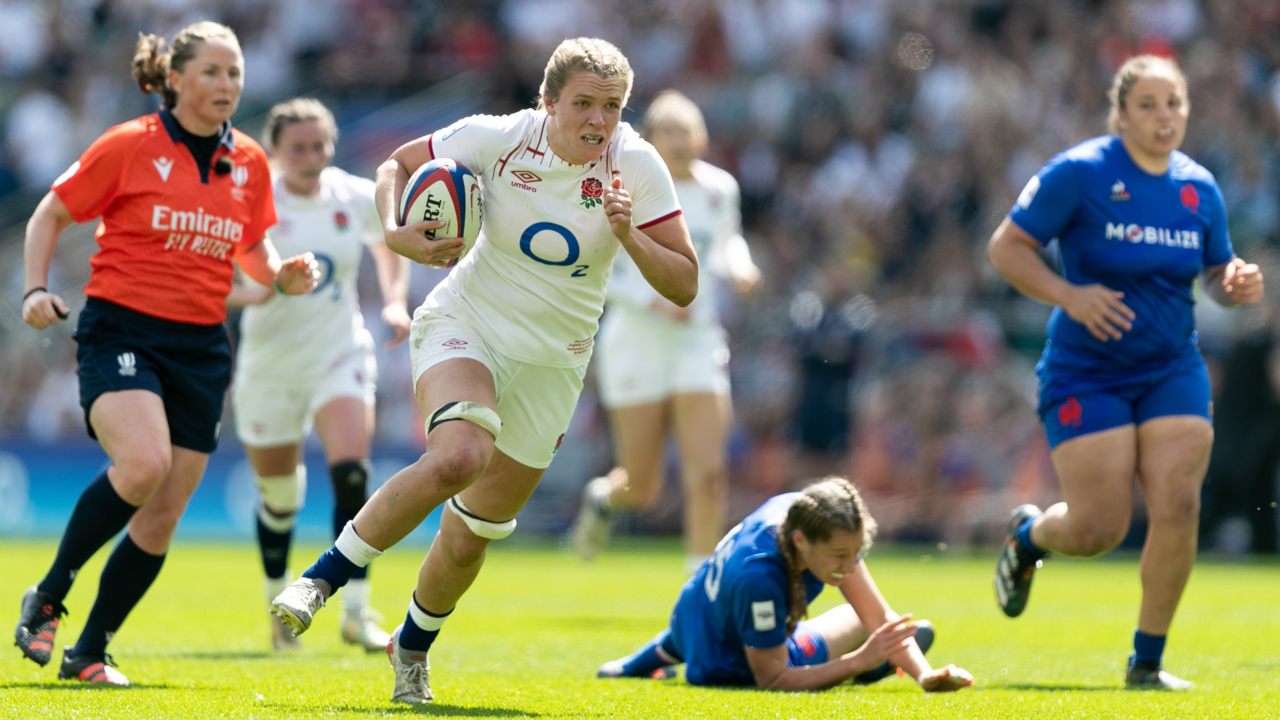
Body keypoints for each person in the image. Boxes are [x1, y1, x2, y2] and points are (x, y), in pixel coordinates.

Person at [270, 37, 698, 704]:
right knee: (458, 456)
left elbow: (684, 284)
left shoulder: (637, 164)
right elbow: (394, 165)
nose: (598, 120)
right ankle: (320, 581)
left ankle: (411, 648)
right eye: (583, 104)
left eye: (613, 106)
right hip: (468, 323)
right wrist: (395, 229)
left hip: (555, 362)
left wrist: (630, 236)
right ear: (547, 102)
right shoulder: (499, 138)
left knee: (470, 536)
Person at [13, 22, 317, 686]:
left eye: (234, 73)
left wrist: (281, 275)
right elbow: (49, 214)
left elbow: (252, 250)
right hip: (122, 331)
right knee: (144, 464)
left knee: (163, 512)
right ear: (175, 79)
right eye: (211, 72)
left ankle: (89, 652)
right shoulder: (130, 144)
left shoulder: (250, 161)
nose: (226, 85)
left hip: (202, 347)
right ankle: (50, 594)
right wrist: (34, 289)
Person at [987, 55, 1265, 690]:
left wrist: (1234, 283)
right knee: (1099, 528)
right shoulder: (1079, 172)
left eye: (1174, 104)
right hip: (1087, 371)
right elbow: (1005, 248)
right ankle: (1029, 537)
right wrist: (1069, 294)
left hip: (1172, 367)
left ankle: (1147, 662)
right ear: (1120, 113)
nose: (1165, 116)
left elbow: (1216, 274)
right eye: (1148, 105)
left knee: (1180, 502)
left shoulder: (1200, 187)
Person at [226, 98, 411, 652]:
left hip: (339, 354)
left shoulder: (352, 195)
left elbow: (390, 245)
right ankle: (278, 608)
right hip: (270, 365)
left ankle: (355, 612)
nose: (311, 157)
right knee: (280, 498)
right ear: (275, 150)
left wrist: (394, 302)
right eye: (298, 148)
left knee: (352, 474)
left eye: (319, 146)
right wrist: (263, 289)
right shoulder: (251, 199)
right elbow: (217, 279)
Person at [571, 90, 760, 573]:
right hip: (637, 340)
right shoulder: (626, 186)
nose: (679, 140)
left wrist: (741, 267)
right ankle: (604, 499)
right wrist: (652, 300)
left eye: (687, 130)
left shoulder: (720, 188)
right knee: (643, 486)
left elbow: (726, 242)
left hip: (698, 339)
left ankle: (702, 585)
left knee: (708, 472)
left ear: (703, 137)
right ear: (650, 140)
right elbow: (598, 268)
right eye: (669, 131)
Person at [596, 477, 973, 692]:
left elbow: (880, 618)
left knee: (864, 619)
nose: (850, 565)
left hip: (690, 618)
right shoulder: (760, 579)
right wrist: (862, 658)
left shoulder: (803, 510)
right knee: (844, 637)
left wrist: (925, 675)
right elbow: (773, 678)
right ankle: (871, 669)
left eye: (856, 552)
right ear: (800, 541)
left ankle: (626, 667)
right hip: (727, 666)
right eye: (840, 555)